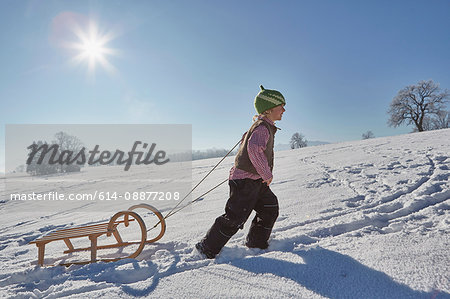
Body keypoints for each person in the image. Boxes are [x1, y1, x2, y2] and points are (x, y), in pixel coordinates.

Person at [196, 85, 286, 258]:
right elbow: (253, 150)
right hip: (246, 182)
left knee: (269, 208)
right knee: (235, 217)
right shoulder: (262, 128)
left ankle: (256, 243)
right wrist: (267, 174)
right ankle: (206, 248)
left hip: (256, 181)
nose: (284, 109)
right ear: (268, 109)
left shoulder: (263, 126)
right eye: (280, 105)